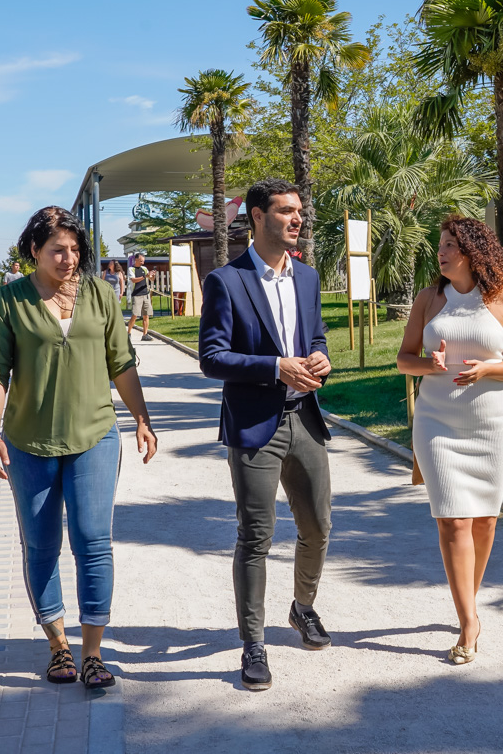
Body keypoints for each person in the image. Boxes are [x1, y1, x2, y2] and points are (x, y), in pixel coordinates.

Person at [0, 206, 158, 689]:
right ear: (34, 250)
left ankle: (93, 653)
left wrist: (141, 418)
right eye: (58, 249)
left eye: (76, 249)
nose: (69, 258)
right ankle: (58, 646)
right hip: (27, 441)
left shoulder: (101, 294)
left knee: (93, 543)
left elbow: (122, 362)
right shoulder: (10, 300)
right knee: (40, 546)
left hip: (94, 435)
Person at [198, 178, 333, 692]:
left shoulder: (308, 277)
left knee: (318, 526)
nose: (297, 219)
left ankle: (302, 608)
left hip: (305, 418)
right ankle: (252, 643)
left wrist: (320, 358)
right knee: (256, 536)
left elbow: (315, 337)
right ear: (257, 216)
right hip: (254, 425)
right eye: (285, 211)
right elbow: (212, 358)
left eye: (299, 211)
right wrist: (275, 367)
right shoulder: (227, 281)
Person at [396, 215, 503, 665]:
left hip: (492, 423)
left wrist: (487, 368)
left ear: (473, 250)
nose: (442, 251)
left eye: (450, 244)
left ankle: (466, 602)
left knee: (485, 521)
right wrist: (428, 365)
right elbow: (402, 359)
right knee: (452, 520)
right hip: (436, 421)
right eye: (441, 244)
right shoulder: (429, 299)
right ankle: (469, 621)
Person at [127, 254, 154, 341]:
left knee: (146, 315)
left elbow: (151, 279)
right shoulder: (131, 269)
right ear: (136, 260)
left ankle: (145, 334)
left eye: (143, 261)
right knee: (135, 315)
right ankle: (128, 333)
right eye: (141, 260)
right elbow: (133, 280)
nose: (143, 262)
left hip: (145, 294)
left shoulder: (144, 269)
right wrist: (144, 276)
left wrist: (152, 276)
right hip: (136, 294)